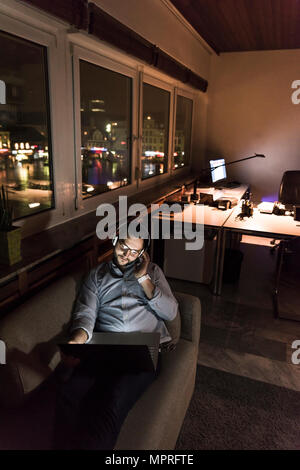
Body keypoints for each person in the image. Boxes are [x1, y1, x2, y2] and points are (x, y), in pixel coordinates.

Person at [53, 225, 178, 450]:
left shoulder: (154, 273)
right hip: (106, 347)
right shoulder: (96, 276)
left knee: (113, 400)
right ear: (114, 240)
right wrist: (77, 341)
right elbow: (86, 314)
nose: (127, 255)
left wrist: (143, 279)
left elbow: (170, 312)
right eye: (123, 246)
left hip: (143, 349)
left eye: (134, 252)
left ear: (143, 255)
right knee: (69, 392)